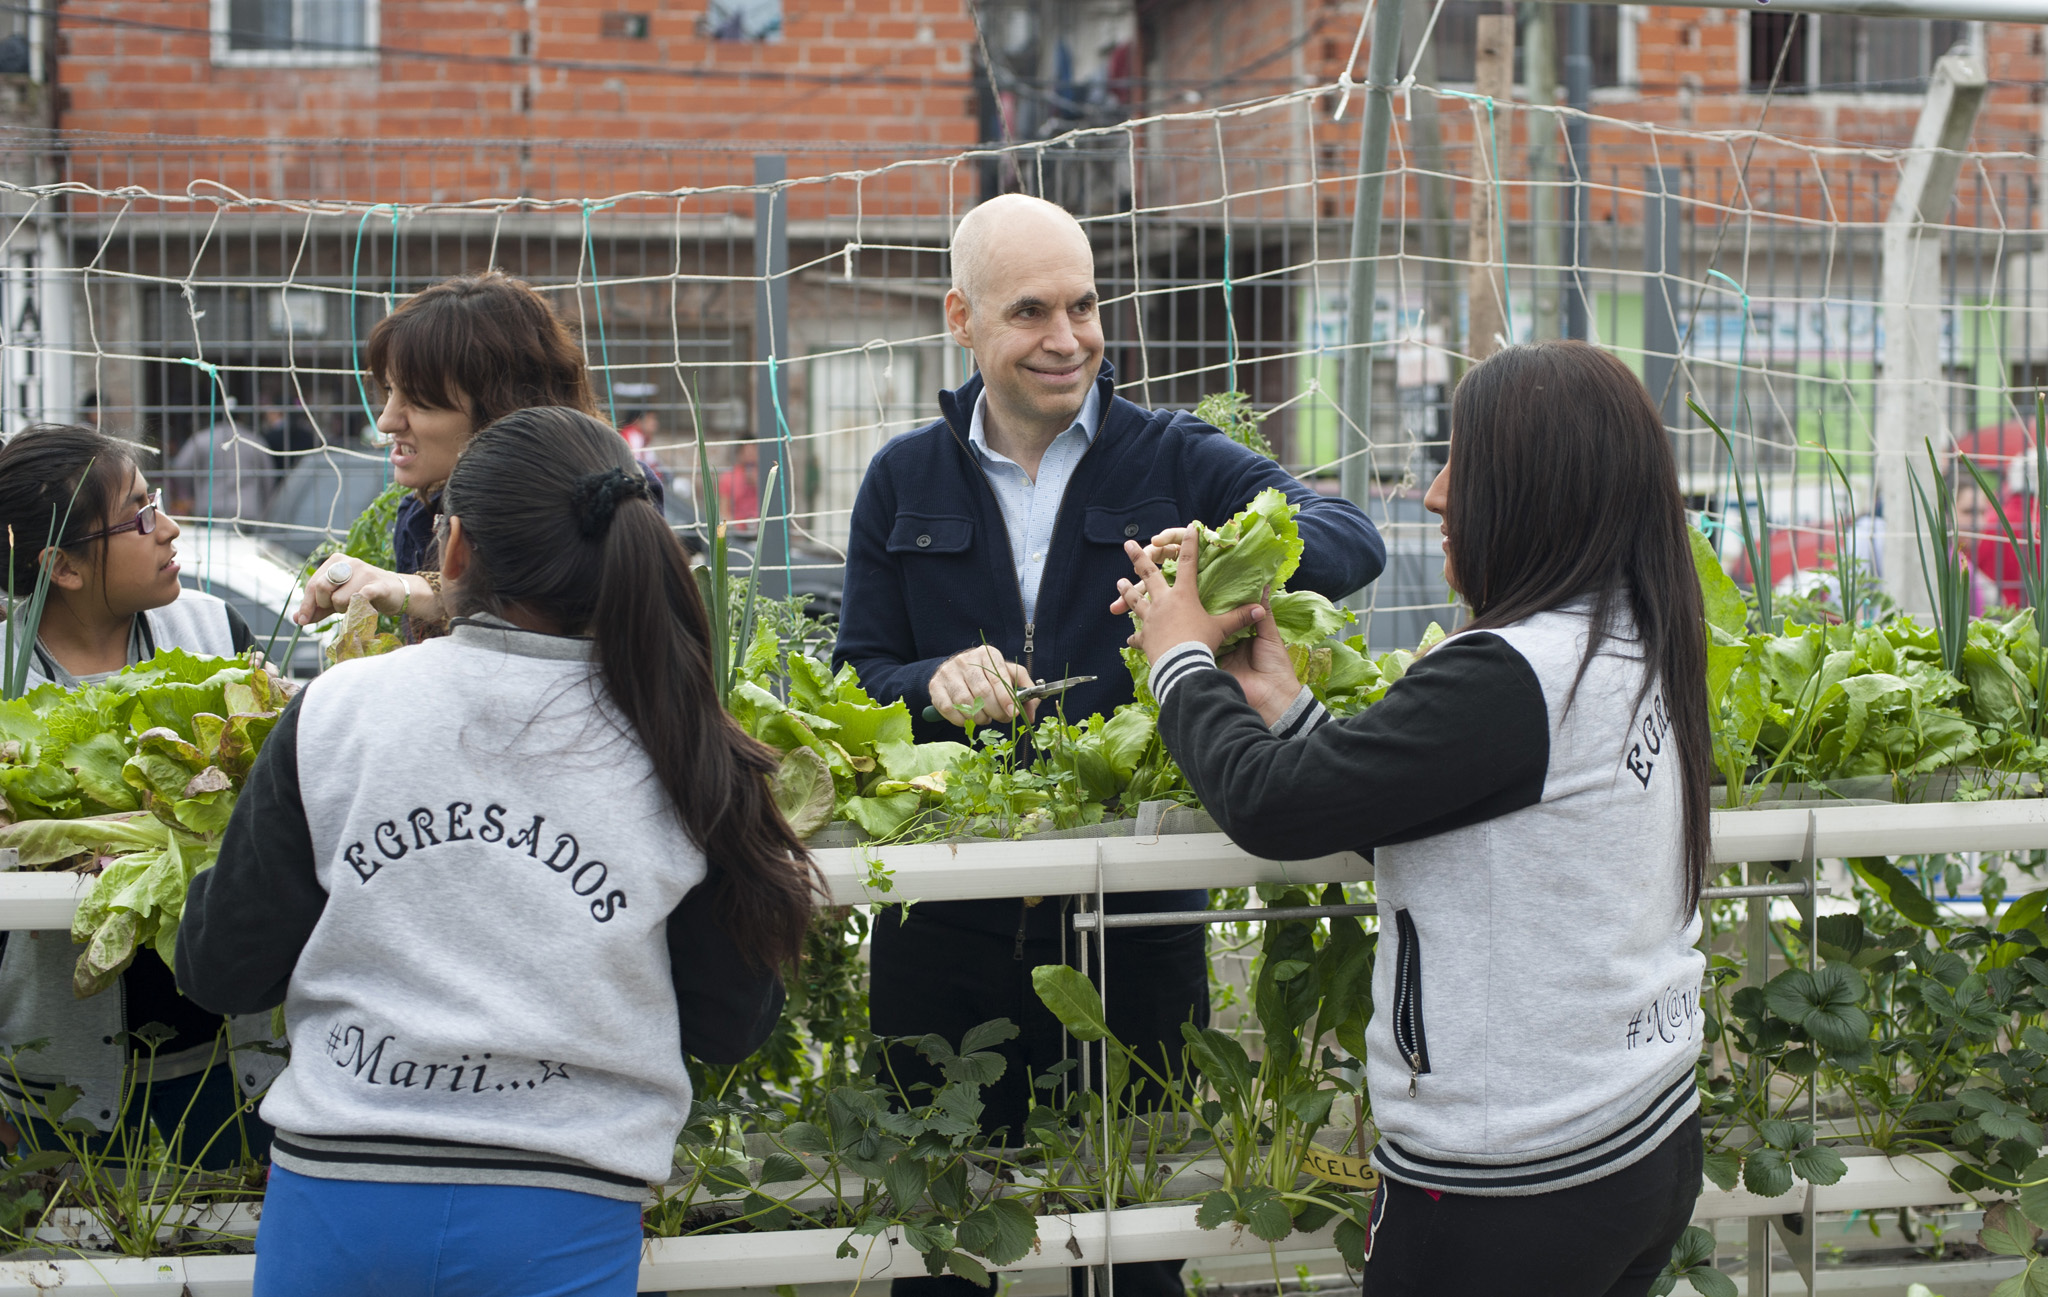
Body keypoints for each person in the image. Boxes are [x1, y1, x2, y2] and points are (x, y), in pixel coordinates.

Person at [833, 193, 1384, 1297]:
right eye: (1029, 311)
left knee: (1136, 1234)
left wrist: (1225, 552)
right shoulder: (904, 477)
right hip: (947, 915)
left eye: (1083, 306)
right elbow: (858, 675)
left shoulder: (1171, 457)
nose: (1066, 338)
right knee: (937, 1235)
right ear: (960, 318)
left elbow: (1348, 538)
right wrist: (933, 684)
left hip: (1132, 905)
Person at [177, 406, 821, 1297]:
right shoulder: (686, 742)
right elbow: (729, 1024)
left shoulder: (339, 709)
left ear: (454, 553)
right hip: (560, 1208)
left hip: (339, 1198)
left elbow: (222, 966)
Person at [1121, 342, 1708, 1297]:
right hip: (1639, 1137)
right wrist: (1283, 703)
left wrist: (1180, 657)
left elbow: (1271, 808)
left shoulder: (1510, 673)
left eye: (1462, 467)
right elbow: (1462, 807)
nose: (1434, 496)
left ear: (1538, 492)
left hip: (1511, 1187)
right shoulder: (1633, 634)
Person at [0, 424, 284, 1169]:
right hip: (51, 1086)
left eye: (153, 502)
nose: (169, 527)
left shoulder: (215, 632)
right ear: (60, 566)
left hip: (234, 1068)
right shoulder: (6, 682)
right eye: (138, 516)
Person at [290, 270, 616, 639]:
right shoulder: (420, 514)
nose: (386, 421)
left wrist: (411, 589)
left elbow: (551, 636)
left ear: (502, 409)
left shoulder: (604, 501)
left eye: (420, 401)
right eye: (389, 390)